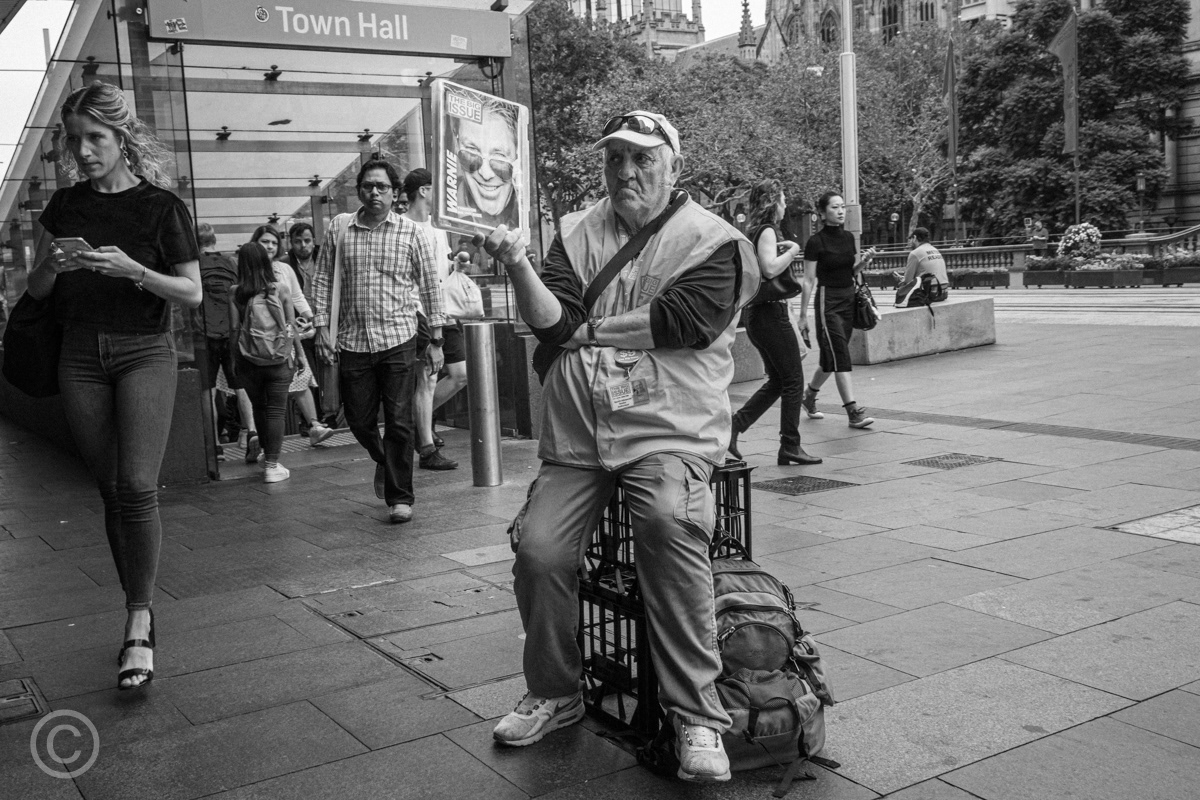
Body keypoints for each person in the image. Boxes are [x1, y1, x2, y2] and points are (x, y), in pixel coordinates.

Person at [478, 111, 759, 783]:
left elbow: (683, 323)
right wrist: (518, 265)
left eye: (642, 158)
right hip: (577, 438)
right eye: (614, 160)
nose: (626, 172)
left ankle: (697, 715)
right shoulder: (573, 231)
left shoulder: (713, 240)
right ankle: (556, 691)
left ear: (673, 165)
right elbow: (550, 318)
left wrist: (585, 330)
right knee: (540, 550)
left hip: (669, 433)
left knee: (668, 523)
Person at [27, 82, 202, 690]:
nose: (84, 151)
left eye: (95, 138)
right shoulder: (66, 207)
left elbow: (191, 292)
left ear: (122, 137)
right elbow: (37, 290)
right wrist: (53, 263)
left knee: (135, 484)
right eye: (76, 140)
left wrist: (134, 271)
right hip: (79, 355)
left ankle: (137, 620)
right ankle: (139, 603)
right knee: (108, 488)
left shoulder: (161, 207)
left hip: (144, 352)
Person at [310, 159, 446, 524]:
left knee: (400, 421)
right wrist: (323, 327)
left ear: (395, 193)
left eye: (382, 187)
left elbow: (431, 287)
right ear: (359, 191)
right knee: (358, 420)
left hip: (398, 338)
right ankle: (387, 461)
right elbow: (322, 279)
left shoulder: (411, 233)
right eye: (368, 186)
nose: (374, 193)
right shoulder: (340, 229)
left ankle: (400, 497)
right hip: (353, 340)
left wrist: (435, 338)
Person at [729, 180, 821, 466]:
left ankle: (734, 427)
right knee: (793, 380)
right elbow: (769, 268)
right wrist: (793, 250)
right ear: (772, 202)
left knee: (779, 381)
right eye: (782, 200)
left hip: (759, 315)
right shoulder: (767, 231)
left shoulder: (754, 230)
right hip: (770, 314)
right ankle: (790, 445)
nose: (784, 206)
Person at [402, 167, 468, 471]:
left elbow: (441, 269)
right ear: (424, 191)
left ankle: (420, 425)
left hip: (444, 310)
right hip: (419, 313)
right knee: (427, 379)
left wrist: (456, 264)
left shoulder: (438, 227)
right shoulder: (401, 228)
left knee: (459, 374)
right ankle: (427, 448)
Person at [250, 224, 333, 447]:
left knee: (300, 380)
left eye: (274, 242)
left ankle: (314, 426)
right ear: (255, 243)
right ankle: (256, 438)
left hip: (285, 336)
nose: (269, 246)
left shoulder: (284, 269)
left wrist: (312, 319)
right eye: (265, 241)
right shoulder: (249, 268)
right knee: (266, 393)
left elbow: (297, 298)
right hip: (259, 339)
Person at [800, 191, 877, 429]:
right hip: (828, 301)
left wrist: (863, 263)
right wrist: (802, 316)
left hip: (848, 300)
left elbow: (850, 272)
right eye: (835, 207)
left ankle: (809, 397)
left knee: (831, 356)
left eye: (842, 207)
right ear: (822, 213)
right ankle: (853, 411)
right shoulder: (815, 242)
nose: (841, 211)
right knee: (840, 354)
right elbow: (808, 280)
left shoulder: (847, 238)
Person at [229, 242, 303, 483]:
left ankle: (265, 455)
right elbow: (291, 327)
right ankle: (272, 464)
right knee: (276, 411)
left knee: (259, 407)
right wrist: (298, 353)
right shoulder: (279, 289)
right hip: (279, 359)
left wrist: (235, 359)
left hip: (249, 360)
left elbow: (233, 329)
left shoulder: (236, 292)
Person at [194, 222, 239, 453]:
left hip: (204, 334)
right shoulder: (230, 263)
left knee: (207, 390)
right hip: (230, 333)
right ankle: (250, 431)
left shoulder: (195, 265)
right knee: (240, 386)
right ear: (214, 241)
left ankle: (214, 443)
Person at [452, 97, 521, 230]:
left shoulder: (525, 215)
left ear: (517, 159)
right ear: (456, 147)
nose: (486, 174)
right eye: (472, 152)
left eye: (499, 157)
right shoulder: (445, 213)